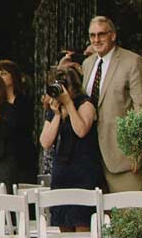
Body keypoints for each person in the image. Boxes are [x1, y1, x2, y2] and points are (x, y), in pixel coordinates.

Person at [73, 16, 142, 193]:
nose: (96, 40)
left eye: (101, 34)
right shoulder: (87, 64)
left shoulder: (132, 62)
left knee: (128, 209)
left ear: (113, 35)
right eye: (92, 35)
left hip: (123, 158)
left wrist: (138, 152)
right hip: (90, 158)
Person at [41, 65, 102, 228]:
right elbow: (45, 142)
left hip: (83, 171)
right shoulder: (55, 108)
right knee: (63, 225)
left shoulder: (85, 104)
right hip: (62, 172)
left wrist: (69, 104)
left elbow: (81, 130)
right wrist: (57, 115)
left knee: (83, 225)